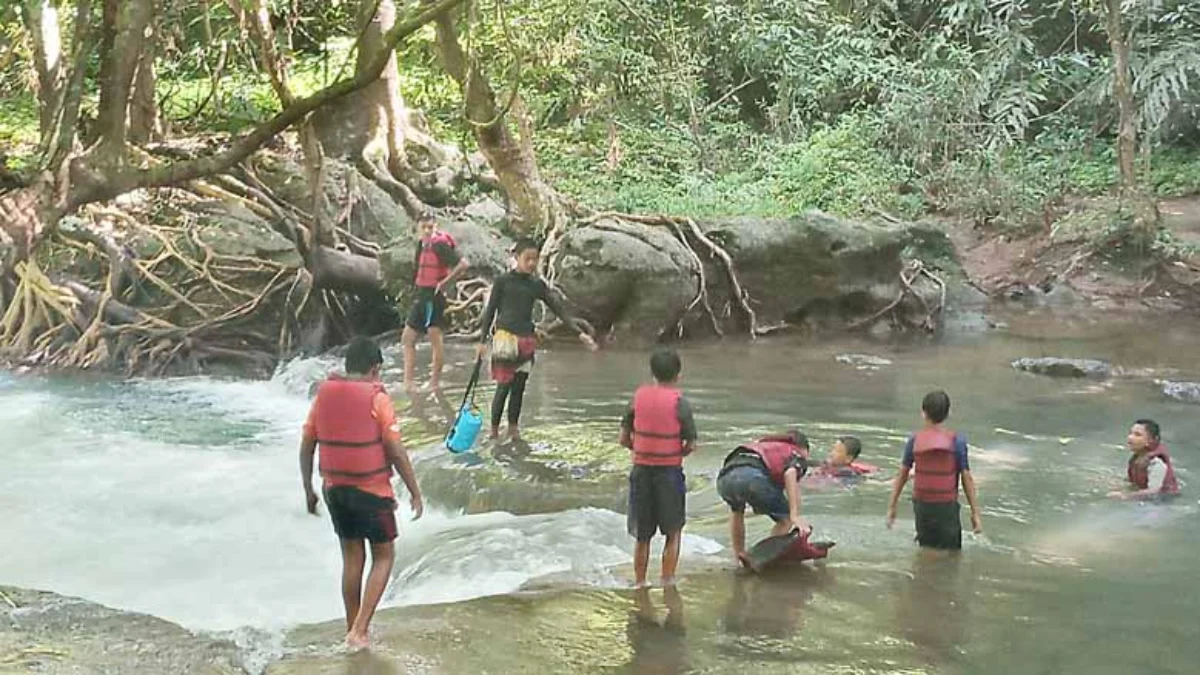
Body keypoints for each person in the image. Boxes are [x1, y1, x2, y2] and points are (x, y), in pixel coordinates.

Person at [299, 336, 425, 649]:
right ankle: (360, 631)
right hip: (371, 490)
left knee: (352, 557)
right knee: (383, 556)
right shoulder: (377, 398)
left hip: (335, 490)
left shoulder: (324, 396)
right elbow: (394, 448)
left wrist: (308, 489)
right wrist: (415, 491)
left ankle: (352, 627)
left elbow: (307, 444)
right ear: (375, 368)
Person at [475, 239, 597, 440]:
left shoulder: (536, 284)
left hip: (527, 341)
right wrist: (481, 341)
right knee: (503, 387)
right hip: (505, 339)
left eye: (535, 259)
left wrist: (579, 333)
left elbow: (558, 309)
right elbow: (490, 311)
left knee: (519, 388)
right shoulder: (503, 281)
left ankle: (513, 429)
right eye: (527, 259)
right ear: (517, 258)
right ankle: (494, 431)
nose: (531, 263)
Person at [619, 347, 696, 588]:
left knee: (643, 535)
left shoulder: (637, 399)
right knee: (673, 531)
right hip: (669, 474)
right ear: (678, 375)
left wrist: (640, 450)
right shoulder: (680, 404)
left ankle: (640, 583)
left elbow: (623, 438)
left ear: (652, 373)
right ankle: (667, 580)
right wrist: (675, 453)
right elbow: (691, 444)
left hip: (641, 472)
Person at [886, 390, 982, 550]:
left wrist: (892, 507)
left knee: (926, 549)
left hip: (922, 507)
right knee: (951, 555)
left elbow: (902, 475)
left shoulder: (914, 441)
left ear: (923, 413)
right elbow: (967, 479)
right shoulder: (957, 441)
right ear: (948, 413)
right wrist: (975, 513)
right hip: (946, 507)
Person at [716, 429, 812, 567]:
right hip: (753, 478)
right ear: (804, 448)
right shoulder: (797, 454)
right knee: (785, 520)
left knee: (737, 511)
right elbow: (790, 474)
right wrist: (795, 515)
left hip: (725, 479)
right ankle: (764, 556)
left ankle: (738, 556)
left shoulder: (762, 445)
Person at [402, 216, 469, 391]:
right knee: (408, 338)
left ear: (435, 227)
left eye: (430, 227)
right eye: (423, 227)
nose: (426, 231)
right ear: (417, 227)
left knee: (434, 337)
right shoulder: (420, 245)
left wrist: (445, 282)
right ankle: (408, 382)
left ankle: (434, 383)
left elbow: (463, 264)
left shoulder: (440, 245)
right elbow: (417, 270)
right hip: (421, 295)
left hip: (434, 296)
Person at [1108, 418, 1180, 500]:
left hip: (1162, 502)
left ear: (1151, 440)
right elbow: (1131, 481)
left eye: (1137, 435)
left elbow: (1154, 492)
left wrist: (1125, 496)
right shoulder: (1137, 457)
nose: (1130, 437)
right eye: (1130, 433)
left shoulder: (1157, 463)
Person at [807, 435, 875, 482]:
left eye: (837, 451)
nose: (831, 453)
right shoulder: (827, 465)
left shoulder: (847, 473)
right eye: (832, 449)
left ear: (848, 459)